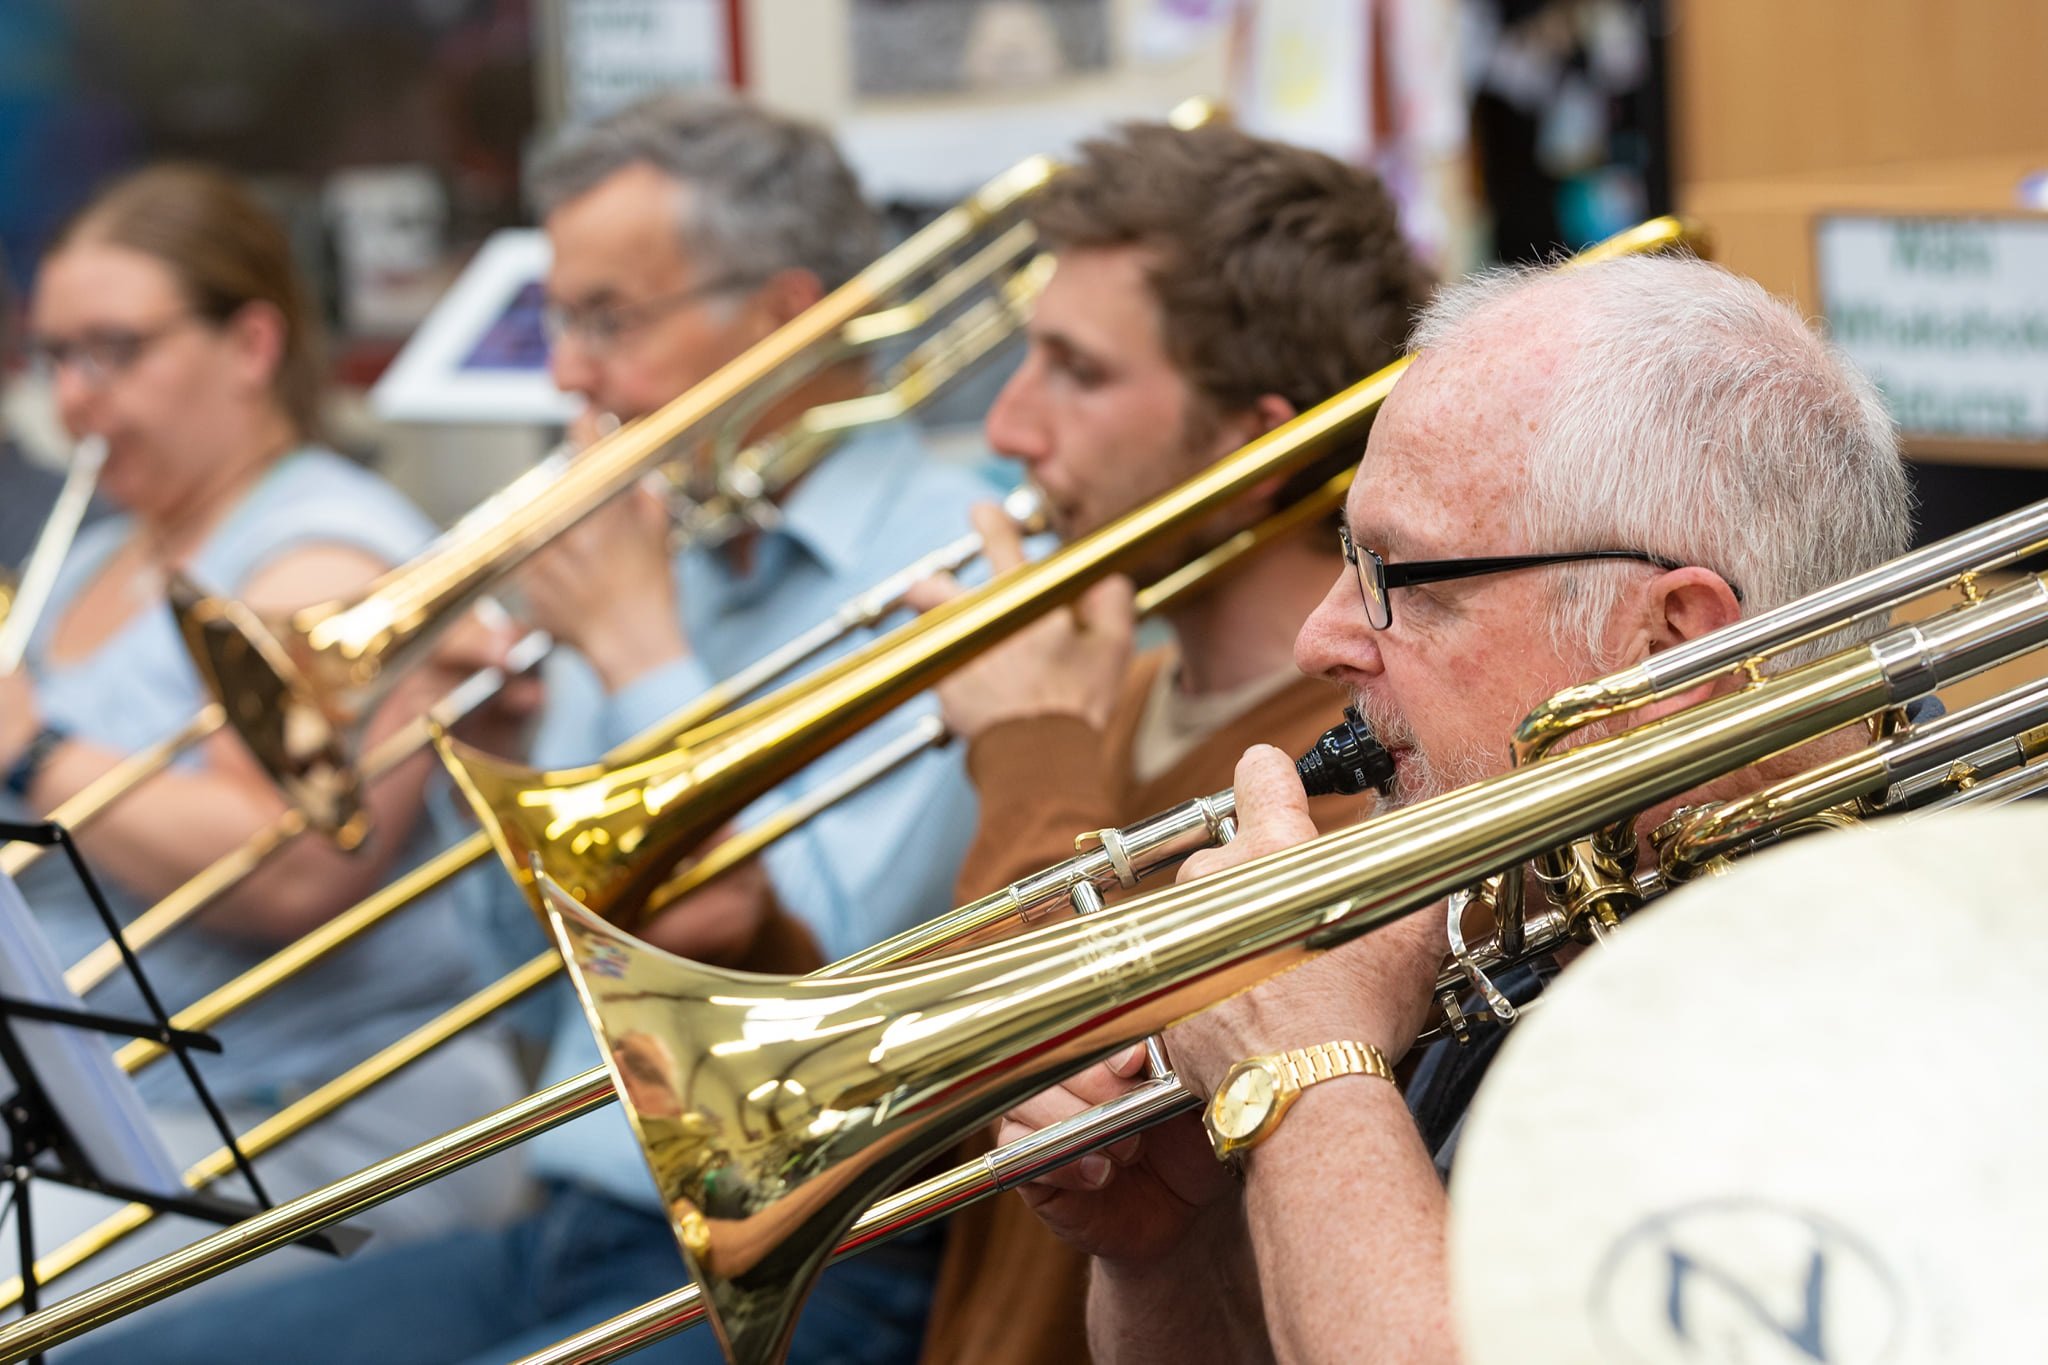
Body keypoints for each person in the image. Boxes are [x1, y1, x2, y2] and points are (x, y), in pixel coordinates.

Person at [66, 93, 990, 1364]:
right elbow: (528, 970)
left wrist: (637, 648)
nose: (564, 370)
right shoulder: (673, 553)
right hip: (571, 1214)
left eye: (606, 320)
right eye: (560, 317)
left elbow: (817, 966)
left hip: (807, 1254)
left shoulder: (950, 562)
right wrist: (499, 750)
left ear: (784, 316)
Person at [999, 252, 1912, 1361]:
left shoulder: (1887, 1020)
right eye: (1346, 556)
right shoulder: (1537, 895)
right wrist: (1167, 1250)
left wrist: (1302, 1068)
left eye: (1400, 576)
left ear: (1674, 642)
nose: (1320, 638)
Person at [906, 121, 1430, 1365]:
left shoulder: (1354, 771)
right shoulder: (1111, 681)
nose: (1011, 430)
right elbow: (921, 1107)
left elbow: (1081, 1095)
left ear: (1251, 449)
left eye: (1075, 373)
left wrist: (1027, 754)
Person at [0, 165, 531, 1298]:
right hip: (98, 1113)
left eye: (114, 350)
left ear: (248, 346)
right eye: (56, 357)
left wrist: (35, 752)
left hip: (295, 1123)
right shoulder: (97, 553)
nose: (76, 399)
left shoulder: (321, 555)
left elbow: (291, 869)